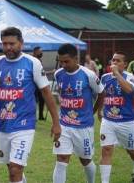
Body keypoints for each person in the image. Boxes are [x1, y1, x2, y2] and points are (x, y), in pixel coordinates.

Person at [0, 27, 61, 183]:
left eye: (12, 43)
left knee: (15, 169)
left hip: (24, 125)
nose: (8, 47)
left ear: (21, 43)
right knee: (12, 169)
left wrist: (56, 122)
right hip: (3, 125)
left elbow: (47, 93)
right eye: (4, 44)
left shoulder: (32, 63)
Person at [53, 44, 102, 183]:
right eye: (60, 61)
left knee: (85, 160)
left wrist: (94, 111)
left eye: (66, 61)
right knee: (61, 159)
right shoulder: (59, 74)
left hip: (83, 126)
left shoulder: (88, 74)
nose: (63, 64)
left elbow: (101, 92)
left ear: (76, 59)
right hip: (64, 124)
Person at [95, 52, 134, 183]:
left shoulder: (129, 76)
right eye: (113, 60)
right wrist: (99, 110)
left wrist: (117, 74)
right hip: (108, 121)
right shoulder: (104, 77)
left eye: (118, 61)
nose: (114, 63)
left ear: (125, 64)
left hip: (127, 122)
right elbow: (102, 95)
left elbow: (129, 90)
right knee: (106, 149)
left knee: (132, 150)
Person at [32, 47, 46, 120]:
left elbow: (42, 73)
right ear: (35, 52)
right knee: (33, 101)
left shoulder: (40, 60)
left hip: (40, 84)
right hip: (33, 84)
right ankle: (33, 116)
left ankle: (41, 115)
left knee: (42, 100)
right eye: (40, 52)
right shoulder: (32, 60)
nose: (41, 53)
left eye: (42, 52)